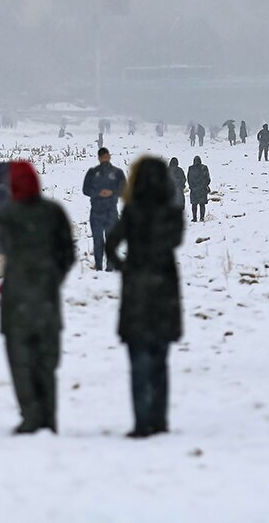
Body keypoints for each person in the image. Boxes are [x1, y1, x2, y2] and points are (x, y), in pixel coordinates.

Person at [0, 160, 76, 434]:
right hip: (46, 299)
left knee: (21, 362)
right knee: (46, 363)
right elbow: (67, 254)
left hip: (16, 300)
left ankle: (31, 415)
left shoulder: (8, 215)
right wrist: (53, 279)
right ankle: (48, 417)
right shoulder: (54, 212)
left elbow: (2, 245)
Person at [106, 157, 184, 438]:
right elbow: (175, 241)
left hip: (137, 289)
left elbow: (111, 244)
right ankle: (160, 420)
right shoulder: (172, 212)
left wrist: (125, 267)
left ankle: (141, 422)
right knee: (160, 362)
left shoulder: (132, 211)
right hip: (164, 287)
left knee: (138, 362)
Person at [82, 148, 126, 272]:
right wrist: (98, 193)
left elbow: (124, 189)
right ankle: (99, 266)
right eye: (102, 157)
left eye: (106, 157)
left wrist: (112, 192)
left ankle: (110, 267)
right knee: (98, 241)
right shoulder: (92, 172)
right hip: (96, 211)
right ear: (99, 158)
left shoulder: (117, 173)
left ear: (109, 157)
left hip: (111, 211)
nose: (104, 159)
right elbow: (85, 190)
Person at [186, 155, 211, 222]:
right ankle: (202, 218)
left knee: (194, 204)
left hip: (194, 189)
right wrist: (205, 185)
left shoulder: (191, 168)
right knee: (202, 204)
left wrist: (191, 186)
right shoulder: (204, 168)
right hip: (202, 189)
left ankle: (194, 218)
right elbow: (208, 178)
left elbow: (189, 178)